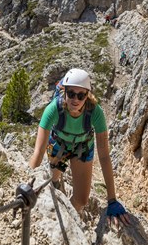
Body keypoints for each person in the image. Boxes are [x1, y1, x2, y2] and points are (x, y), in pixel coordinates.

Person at [30, 68, 130, 227]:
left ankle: (67, 218)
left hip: (82, 151)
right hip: (59, 149)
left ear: (87, 95)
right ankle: (57, 183)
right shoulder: (54, 108)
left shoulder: (95, 113)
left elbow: (104, 156)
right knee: (54, 178)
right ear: (64, 92)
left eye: (81, 95)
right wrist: (28, 185)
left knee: (82, 199)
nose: (75, 99)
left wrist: (112, 200)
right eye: (71, 93)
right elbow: (39, 150)